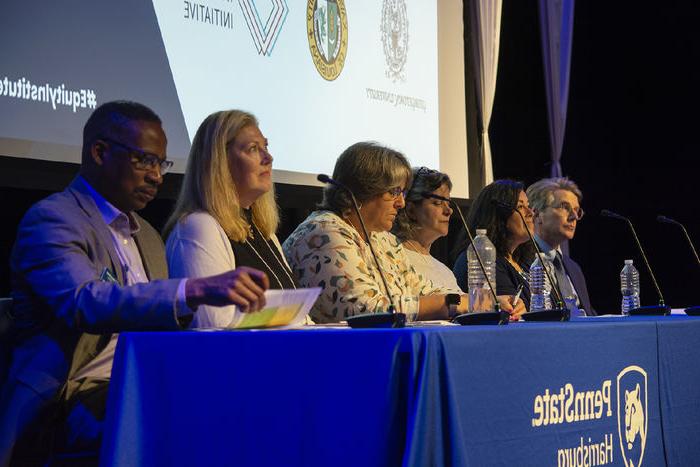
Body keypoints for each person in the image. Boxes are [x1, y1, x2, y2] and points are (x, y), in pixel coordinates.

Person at [0, 101, 269, 466]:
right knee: (201, 413)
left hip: (140, 380)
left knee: (252, 396)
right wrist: (193, 289)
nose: (157, 176)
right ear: (100, 152)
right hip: (70, 396)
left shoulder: (149, 239)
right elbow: (84, 302)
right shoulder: (53, 219)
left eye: (161, 163)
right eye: (145, 160)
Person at [283, 142, 519, 323]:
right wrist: (455, 304)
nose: (401, 203)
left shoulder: (382, 239)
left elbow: (423, 289)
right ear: (362, 191)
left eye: (403, 193)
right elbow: (367, 310)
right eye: (393, 192)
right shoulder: (325, 233)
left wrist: (489, 302)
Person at [164, 110, 297, 328]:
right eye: (253, 149)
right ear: (220, 160)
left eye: (266, 147)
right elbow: (212, 324)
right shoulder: (199, 226)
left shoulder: (264, 231)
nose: (268, 158)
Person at [452, 180, 535, 316]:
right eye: (520, 207)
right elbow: (511, 313)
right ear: (499, 215)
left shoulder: (524, 261)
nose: (530, 212)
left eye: (529, 206)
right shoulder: (483, 258)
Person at [526, 177, 595, 315]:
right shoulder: (522, 261)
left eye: (577, 210)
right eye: (565, 207)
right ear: (537, 214)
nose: (574, 216)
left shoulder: (574, 269)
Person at [392, 167, 463, 292]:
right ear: (411, 210)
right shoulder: (392, 257)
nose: (449, 211)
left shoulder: (446, 272)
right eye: (437, 203)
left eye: (449, 204)